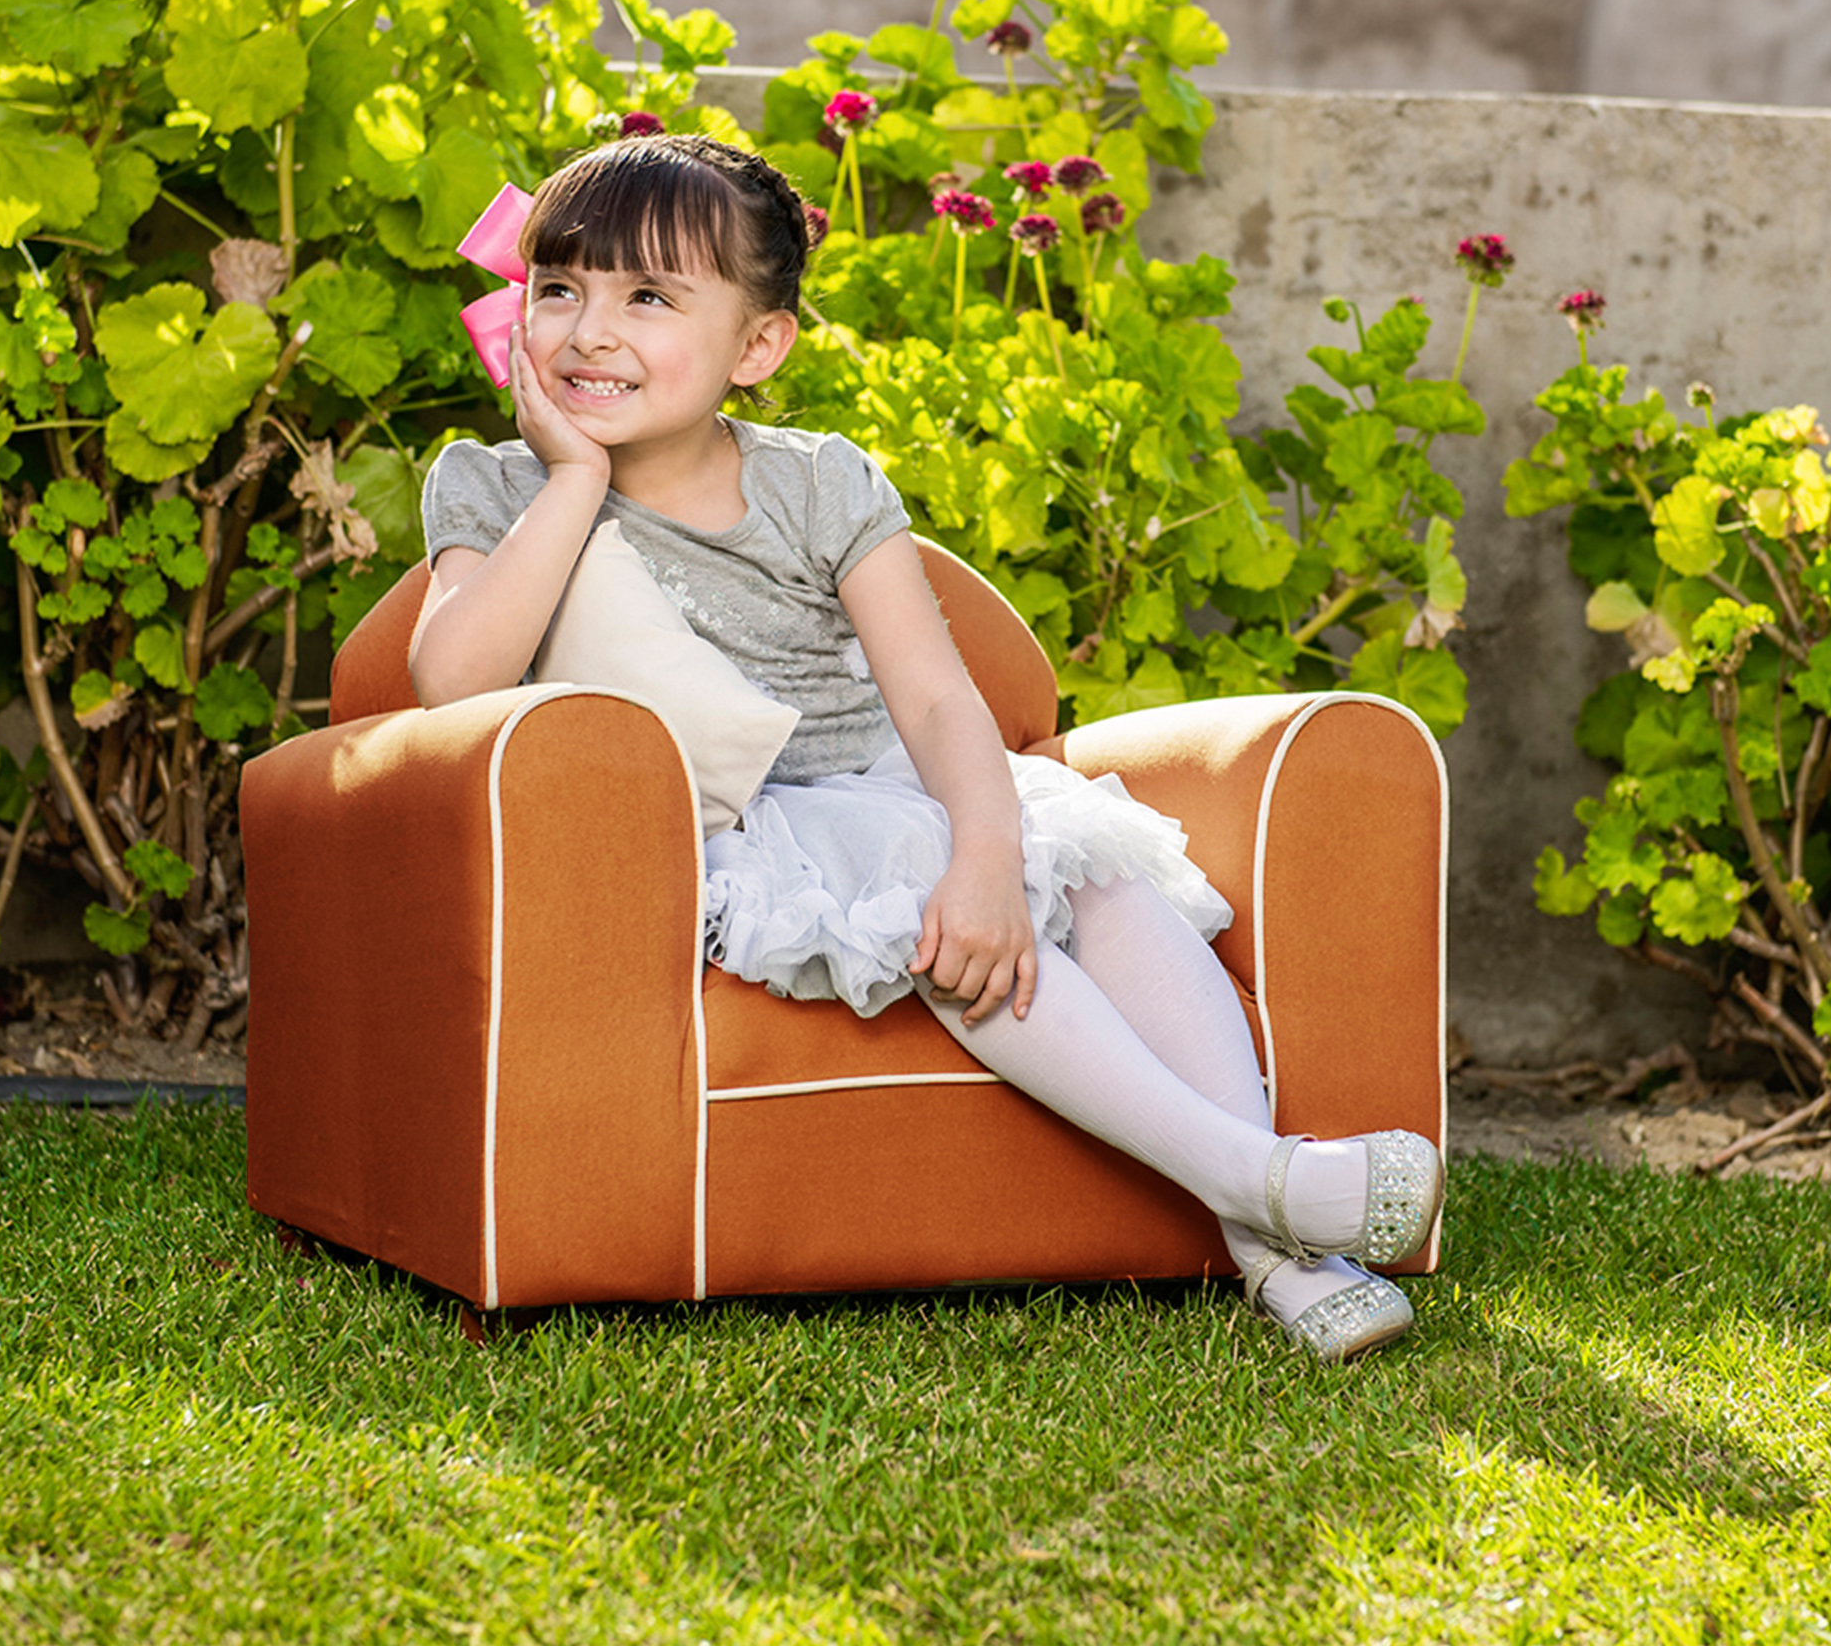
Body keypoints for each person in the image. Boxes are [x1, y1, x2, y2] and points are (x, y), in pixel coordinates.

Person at [411, 133, 1440, 1362]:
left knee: (1090, 870)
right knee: (922, 910)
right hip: (743, 827)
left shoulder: (819, 482)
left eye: (648, 296)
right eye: (561, 288)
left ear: (757, 345)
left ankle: (1274, 1244)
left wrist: (990, 854)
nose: (588, 330)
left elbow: (942, 702)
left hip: (896, 778)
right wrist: (572, 480)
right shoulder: (489, 481)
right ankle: (1270, 1188)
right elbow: (445, 681)